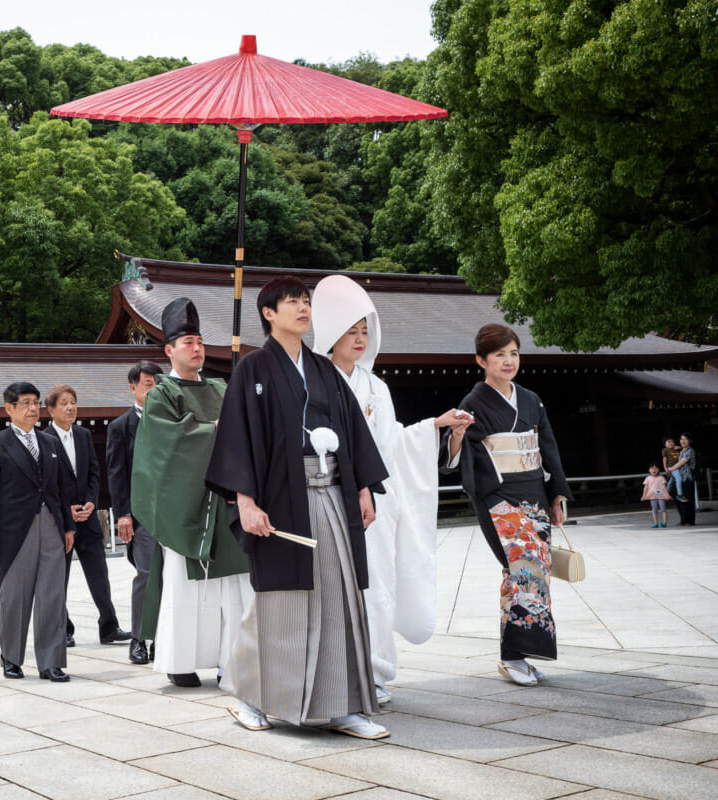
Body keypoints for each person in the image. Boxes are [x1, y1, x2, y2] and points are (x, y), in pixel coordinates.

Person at [205, 277, 391, 738]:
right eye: (293, 302)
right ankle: (253, 698)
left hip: (331, 494)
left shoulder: (324, 370)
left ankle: (343, 704)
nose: (303, 309)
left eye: (306, 302)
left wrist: (364, 487)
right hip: (280, 499)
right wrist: (244, 500)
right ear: (269, 313)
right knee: (280, 603)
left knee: (339, 594)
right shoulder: (253, 369)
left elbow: (350, 430)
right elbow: (237, 436)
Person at [310, 275, 473, 704]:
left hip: (374, 505)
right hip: (326, 497)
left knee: (376, 586)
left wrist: (435, 426)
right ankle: (331, 673)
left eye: (366, 331)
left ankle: (375, 671)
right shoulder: (312, 382)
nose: (361, 339)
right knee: (329, 587)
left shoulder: (376, 388)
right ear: (332, 334)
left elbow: (392, 441)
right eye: (352, 331)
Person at [443, 323, 572, 687]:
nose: (508, 360)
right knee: (522, 570)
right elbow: (460, 456)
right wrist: (456, 434)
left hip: (534, 493)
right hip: (498, 496)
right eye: (499, 354)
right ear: (481, 360)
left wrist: (557, 494)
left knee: (534, 573)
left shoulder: (531, 399)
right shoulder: (473, 403)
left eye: (513, 353)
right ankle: (512, 656)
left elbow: (548, 446)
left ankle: (520, 654)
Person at [132, 298, 250, 689]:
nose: (196, 348)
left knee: (233, 587)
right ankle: (180, 660)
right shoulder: (160, 395)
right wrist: (215, 428)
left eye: (199, 341)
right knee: (185, 589)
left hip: (227, 500)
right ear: (169, 350)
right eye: (187, 342)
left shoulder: (221, 386)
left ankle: (229, 660)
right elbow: (168, 444)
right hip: (188, 503)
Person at [0, 382, 75, 682]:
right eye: (25, 403)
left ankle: (51, 662)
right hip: (14, 531)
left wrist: (68, 526)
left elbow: (60, 490)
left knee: (52, 596)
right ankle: (11, 658)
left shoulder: (50, 442)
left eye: (36, 402)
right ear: (9, 409)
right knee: (15, 597)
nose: (33, 408)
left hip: (52, 526)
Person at [46, 384, 131, 649]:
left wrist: (92, 502)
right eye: (64, 403)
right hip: (61, 521)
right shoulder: (43, 438)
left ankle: (109, 626)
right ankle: (64, 628)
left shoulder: (83, 435)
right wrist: (65, 509)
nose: (70, 407)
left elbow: (95, 472)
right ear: (50, 409)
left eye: (73, 402)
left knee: (99, 574)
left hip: (89, 517)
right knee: (59, 576)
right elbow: (46, 483)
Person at [106, 360, 164, 665]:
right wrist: (123, 514)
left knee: (174, 578)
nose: (153, 388)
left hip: (173, 512)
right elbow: (116, 474)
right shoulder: (120, 427)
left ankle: (165, 639)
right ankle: (140, 638)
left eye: (157, 383)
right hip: (142, 515)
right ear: (133, 388)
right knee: (147, 574)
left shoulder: (172, 421)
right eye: (147, 384)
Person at [670, 433, 697, 525]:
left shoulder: (690, 451)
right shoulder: (682, 450)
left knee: (688, 500)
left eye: (685, 439)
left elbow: (682, 462)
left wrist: (671, 469)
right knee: (678, 499)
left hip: (687, 478)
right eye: (681, 439)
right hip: (678, 479)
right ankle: (683, 519)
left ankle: (689, 521)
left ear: (690, 441)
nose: (683, 441)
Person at [642, 464, 669, 529]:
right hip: (652, 496)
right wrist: (644, 495)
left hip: (661, 496)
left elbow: (664, 487)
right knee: (654, 509)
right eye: (652, 468)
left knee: (663, 508)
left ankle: (664, 522)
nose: (654, 470)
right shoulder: (648, 478)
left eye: (656, 468)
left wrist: (667, 495)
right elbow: (645, 487)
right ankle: (655, 523)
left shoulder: (661, 478)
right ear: (649, 470)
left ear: (659, 469)